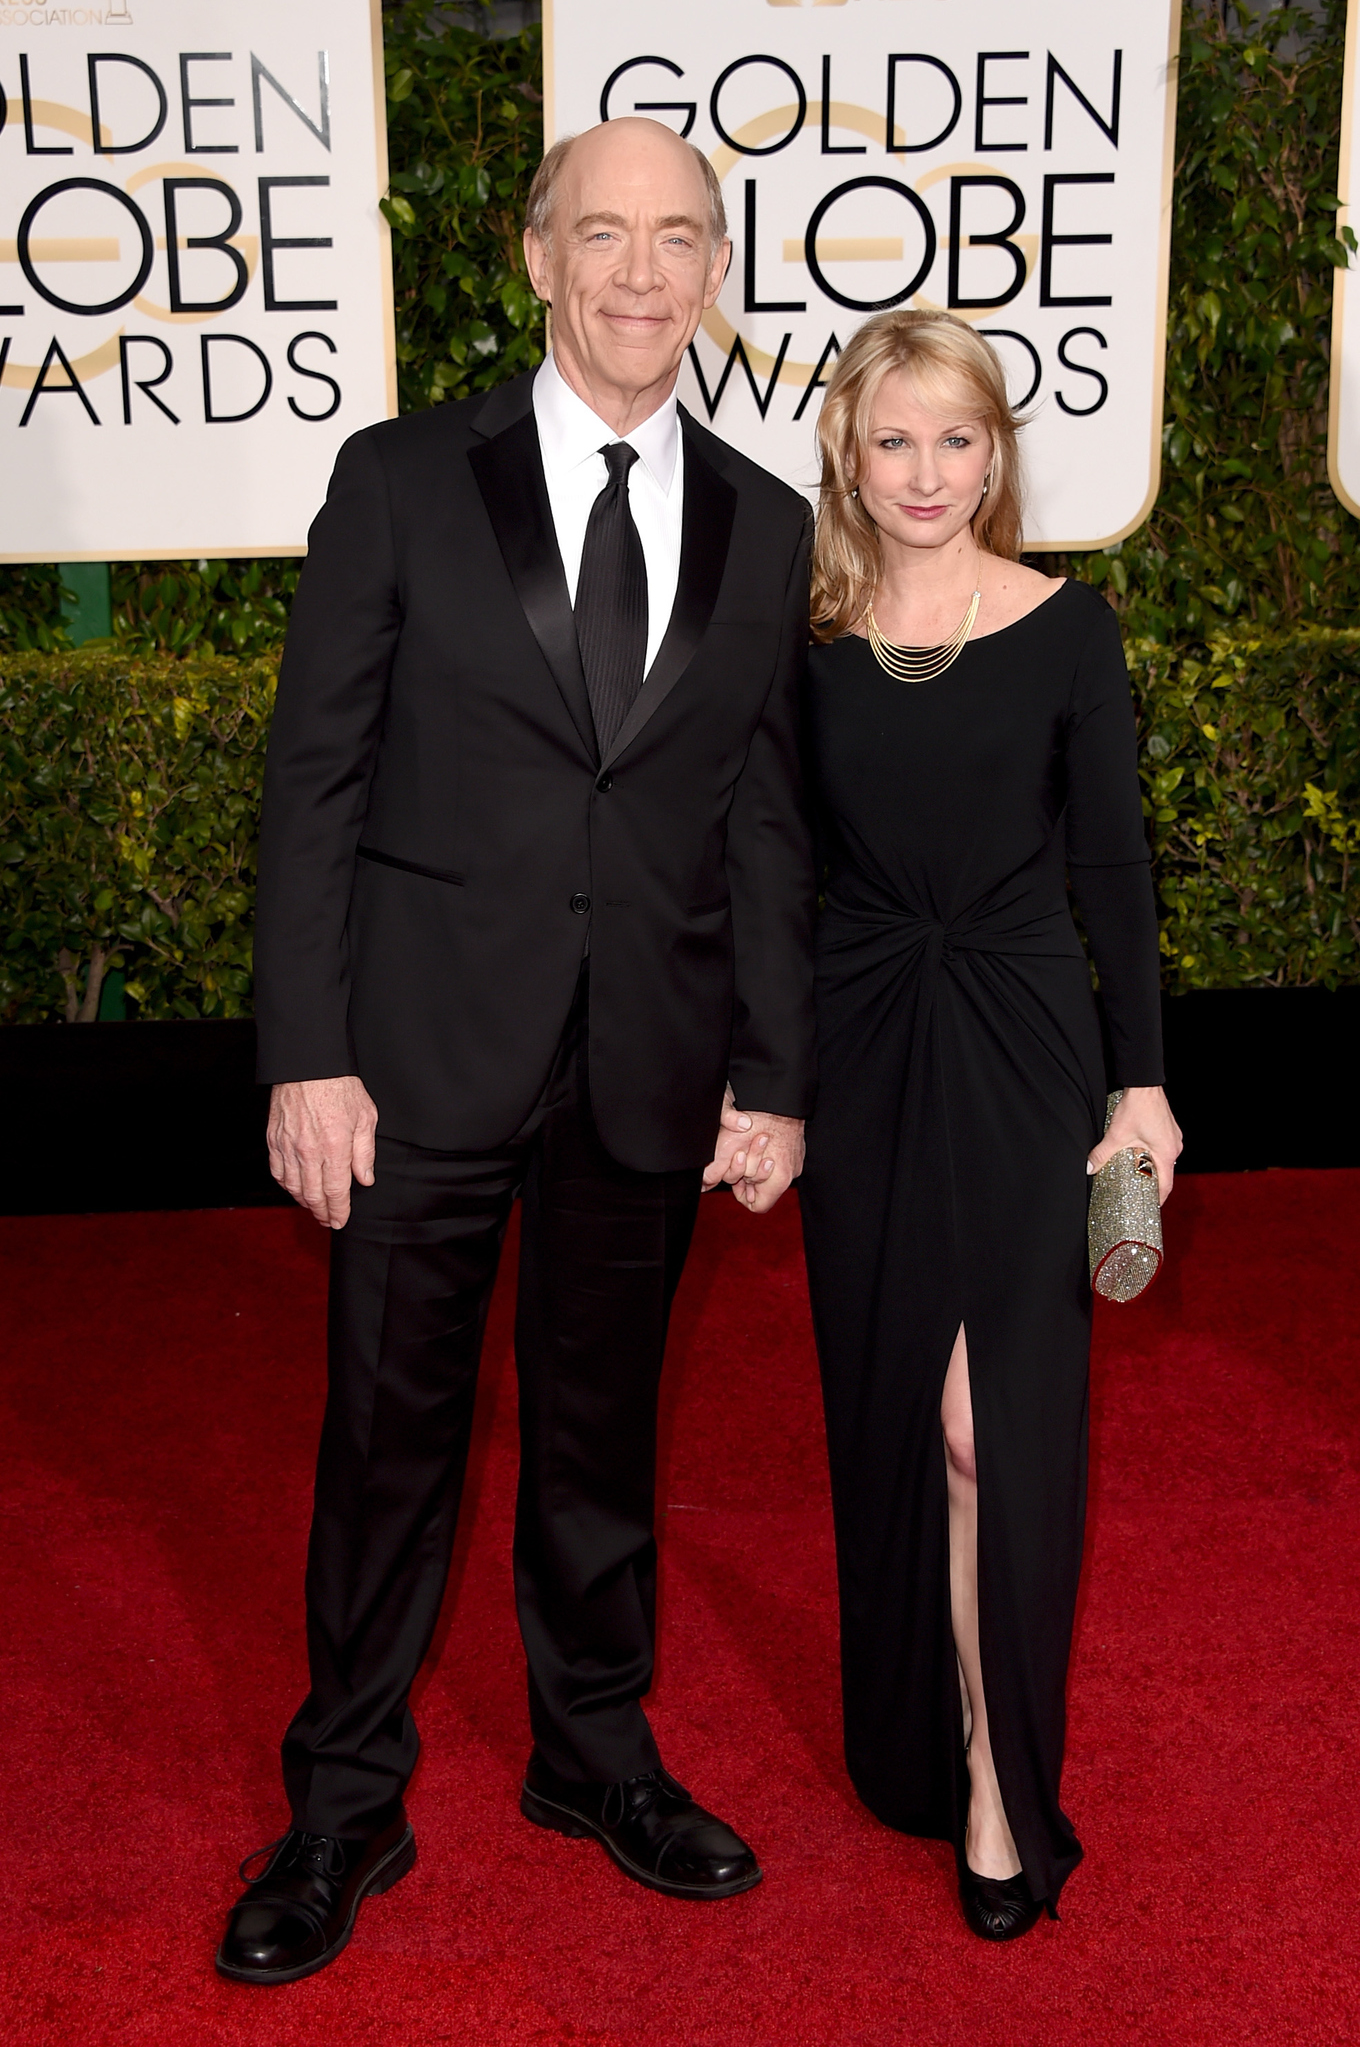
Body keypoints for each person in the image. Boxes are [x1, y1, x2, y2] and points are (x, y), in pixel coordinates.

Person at [216, 118, 815, 1986]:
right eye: (604, 236)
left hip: (647, 1059)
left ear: (715, 274)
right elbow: (311, 780)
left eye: (679, 241)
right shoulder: (402, 479)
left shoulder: (768, 519)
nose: (642, 275)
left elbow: (765, 821)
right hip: (415, 1060)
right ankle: (345, 1797)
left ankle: (595, 1751)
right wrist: (305, 1051)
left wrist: (774, 1069)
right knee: (391, 1440)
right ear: (536, 259)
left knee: (600, 1438)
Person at [797, 311, 1181, 1941]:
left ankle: (995, 1788)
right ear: (849, 457)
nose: (928, 473)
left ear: (997, 453)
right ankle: (919, 1734)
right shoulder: (802, 639)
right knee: (895, 1413)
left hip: (1026, 1049)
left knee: (983, 1427)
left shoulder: (1067, 631)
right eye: (897, 441)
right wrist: (762, 1083)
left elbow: (1114, 875)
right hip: (865, 1046)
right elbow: (769, 868)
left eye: (959, 439)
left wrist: (1142, 1083)